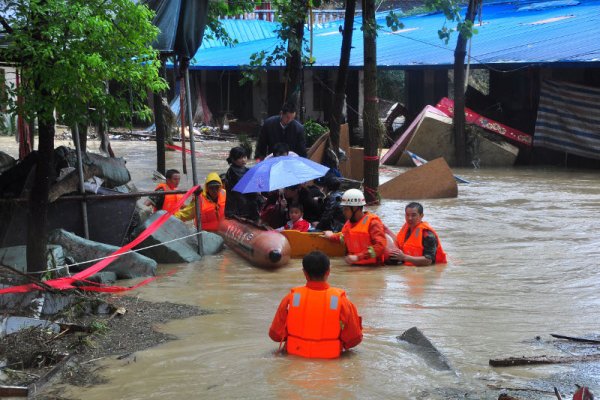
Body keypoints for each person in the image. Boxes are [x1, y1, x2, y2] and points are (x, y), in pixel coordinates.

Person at [269, 251, 363, 358]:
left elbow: (275, 335)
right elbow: (354, 339)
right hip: (331, 361)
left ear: (304, 273)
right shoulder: (342, 301)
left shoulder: (291, 298)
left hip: (295, 356)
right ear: (328, 272)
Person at [323, 189, 388, 265]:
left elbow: (380, 246)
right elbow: (344, 237)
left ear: (355, 208)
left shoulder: (373, 223)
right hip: (356, 266)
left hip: (373, 268)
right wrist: (331, 236)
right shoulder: (349, 223)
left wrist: (358, 257)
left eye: (346, 209)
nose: (343, 212)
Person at [389, 202, 447, 266]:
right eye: (407, 215)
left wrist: (404, 257)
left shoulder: (428, 235)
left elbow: (428, 261)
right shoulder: (406, 229)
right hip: (408, 269)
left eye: (413, 215)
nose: (409, 218)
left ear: (421, 216)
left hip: (426, 271)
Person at [223, 146, 261, 221]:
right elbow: (244, 188)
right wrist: (256, 192)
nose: (243, 160)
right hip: (239, 205)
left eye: (245, 157)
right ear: (233, 160)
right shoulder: (233, 172)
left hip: (245, 201)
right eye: (240, 158)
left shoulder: (245, 169)